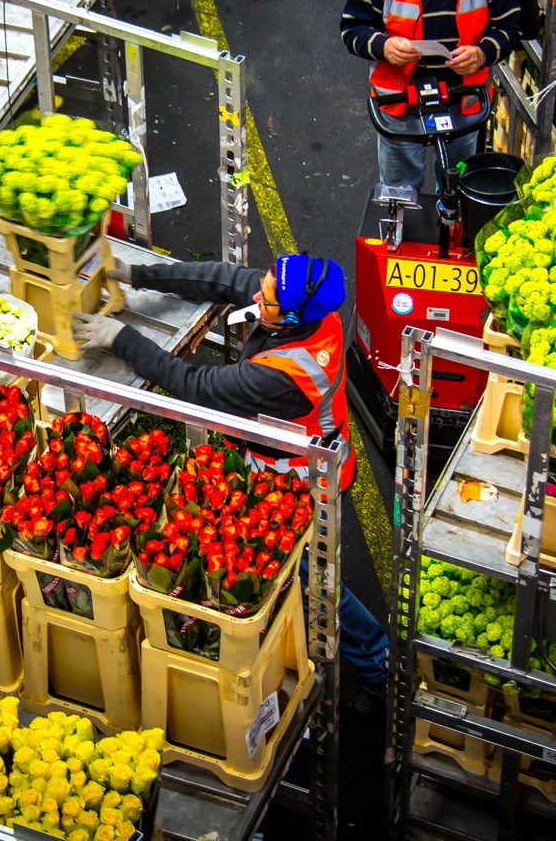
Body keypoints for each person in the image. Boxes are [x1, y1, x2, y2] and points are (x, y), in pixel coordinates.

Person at [71, 254, 391, 707]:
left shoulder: (284, 375)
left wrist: (122, 338)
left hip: (303, 487)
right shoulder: (305, 307)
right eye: (264, 284)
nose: (258, 295)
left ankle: (376, 658)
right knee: (304, 578)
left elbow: (196, 385)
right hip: (296, 467)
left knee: (312, 578)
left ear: (294, 315)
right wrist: (137, 274)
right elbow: (225, 279)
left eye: (270, 298)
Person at [340, 0, 521, 202]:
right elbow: (352, 27)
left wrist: (482, 53)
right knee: (398, 198)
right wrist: (384, 46)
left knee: (457, 196)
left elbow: (510, 25)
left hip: (462, 99)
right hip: (399, 102)